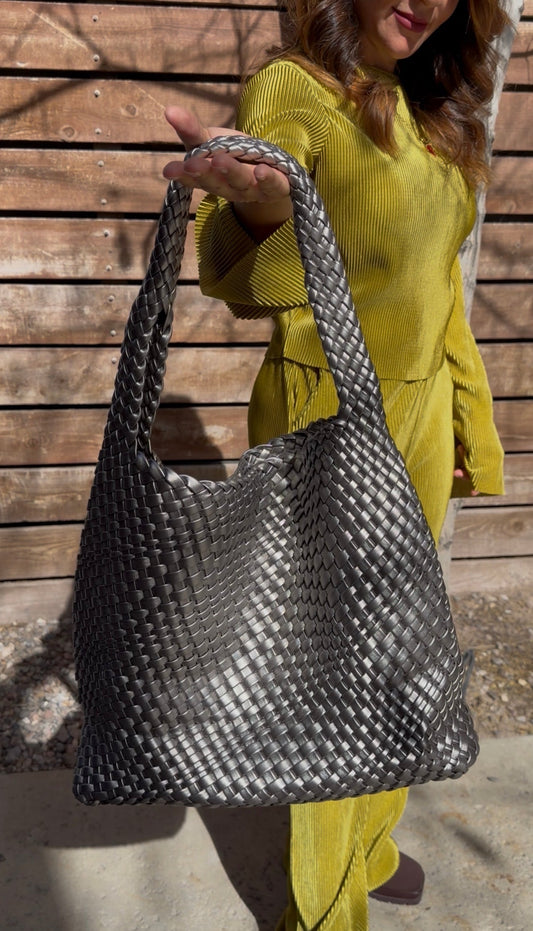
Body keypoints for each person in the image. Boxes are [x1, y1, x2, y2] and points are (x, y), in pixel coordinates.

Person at [163, 1, 507, 927]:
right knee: (335, 678)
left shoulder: (437, 112)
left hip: (419, 421)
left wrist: (466, 425)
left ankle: (369, 840)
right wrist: (263, 204)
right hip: (330, 411)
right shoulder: (296, 89)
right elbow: (242, 275)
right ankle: (323, 908)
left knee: (399, 652)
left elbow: (440, 290)